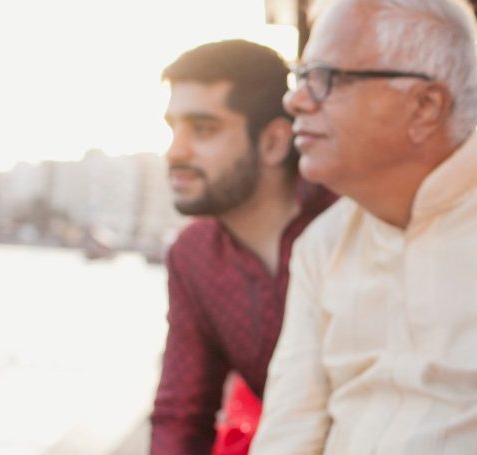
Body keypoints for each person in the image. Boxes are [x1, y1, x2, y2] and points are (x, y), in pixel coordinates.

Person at [249, 0, 477, 453]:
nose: (294, 99)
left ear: (426, 105)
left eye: (325, 78)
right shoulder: (322, 243)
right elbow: (288, 432)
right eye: (301, 77)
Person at [152, 39, 336, 455]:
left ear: (274, 142)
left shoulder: (350, 218)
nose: (175, 152)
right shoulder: (192, 256)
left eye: (203, 129)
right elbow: (182, 413)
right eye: (172, 129)